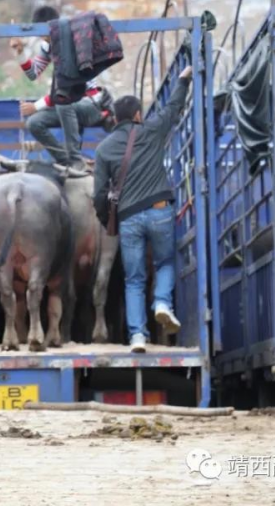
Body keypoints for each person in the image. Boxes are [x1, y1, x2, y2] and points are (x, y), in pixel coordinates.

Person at [92, 65, 193, 354]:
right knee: (164, 263)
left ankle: (137, 335)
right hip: (160, 210)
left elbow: (99, 194)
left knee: (134, 278)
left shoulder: (104, 149)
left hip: (129, 218)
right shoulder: (151, 129)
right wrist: (183, 79)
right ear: (137, 115)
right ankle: (162, 302)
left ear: (115, 118)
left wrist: (106, 220)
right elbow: (174, 106)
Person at [10, 5, 115, 173]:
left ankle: (75, 160)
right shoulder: (48, 46)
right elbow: (33, 73)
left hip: (92, 104)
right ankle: (65, 161)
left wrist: (35, 106)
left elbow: (66, 87)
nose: (41, 37)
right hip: (69, 105)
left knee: (63, 103)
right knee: (34, 123)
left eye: (43, 32)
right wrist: (20, 52)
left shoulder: (73, 43)